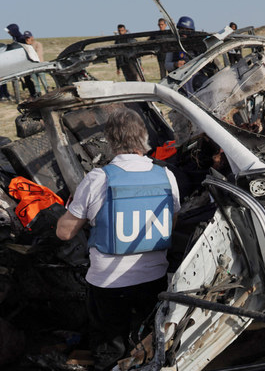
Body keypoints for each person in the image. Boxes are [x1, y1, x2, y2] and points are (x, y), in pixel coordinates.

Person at [56, 108, 181, 370]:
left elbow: (64, 232)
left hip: (108, 285)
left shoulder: (97, 178)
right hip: (153, 280)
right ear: (144, 137)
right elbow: (172, 223)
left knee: (109, 349)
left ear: (110, 141)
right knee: (148, 343)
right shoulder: (166, 175)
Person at [6, 23, 37, 98]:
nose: (8, 33)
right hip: (20, 61)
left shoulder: (21, 38)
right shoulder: (16, 38)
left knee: (28, 79)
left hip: (25, 61)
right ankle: (32, 94)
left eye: (10, 31)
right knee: (26, 79)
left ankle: (33, 94)